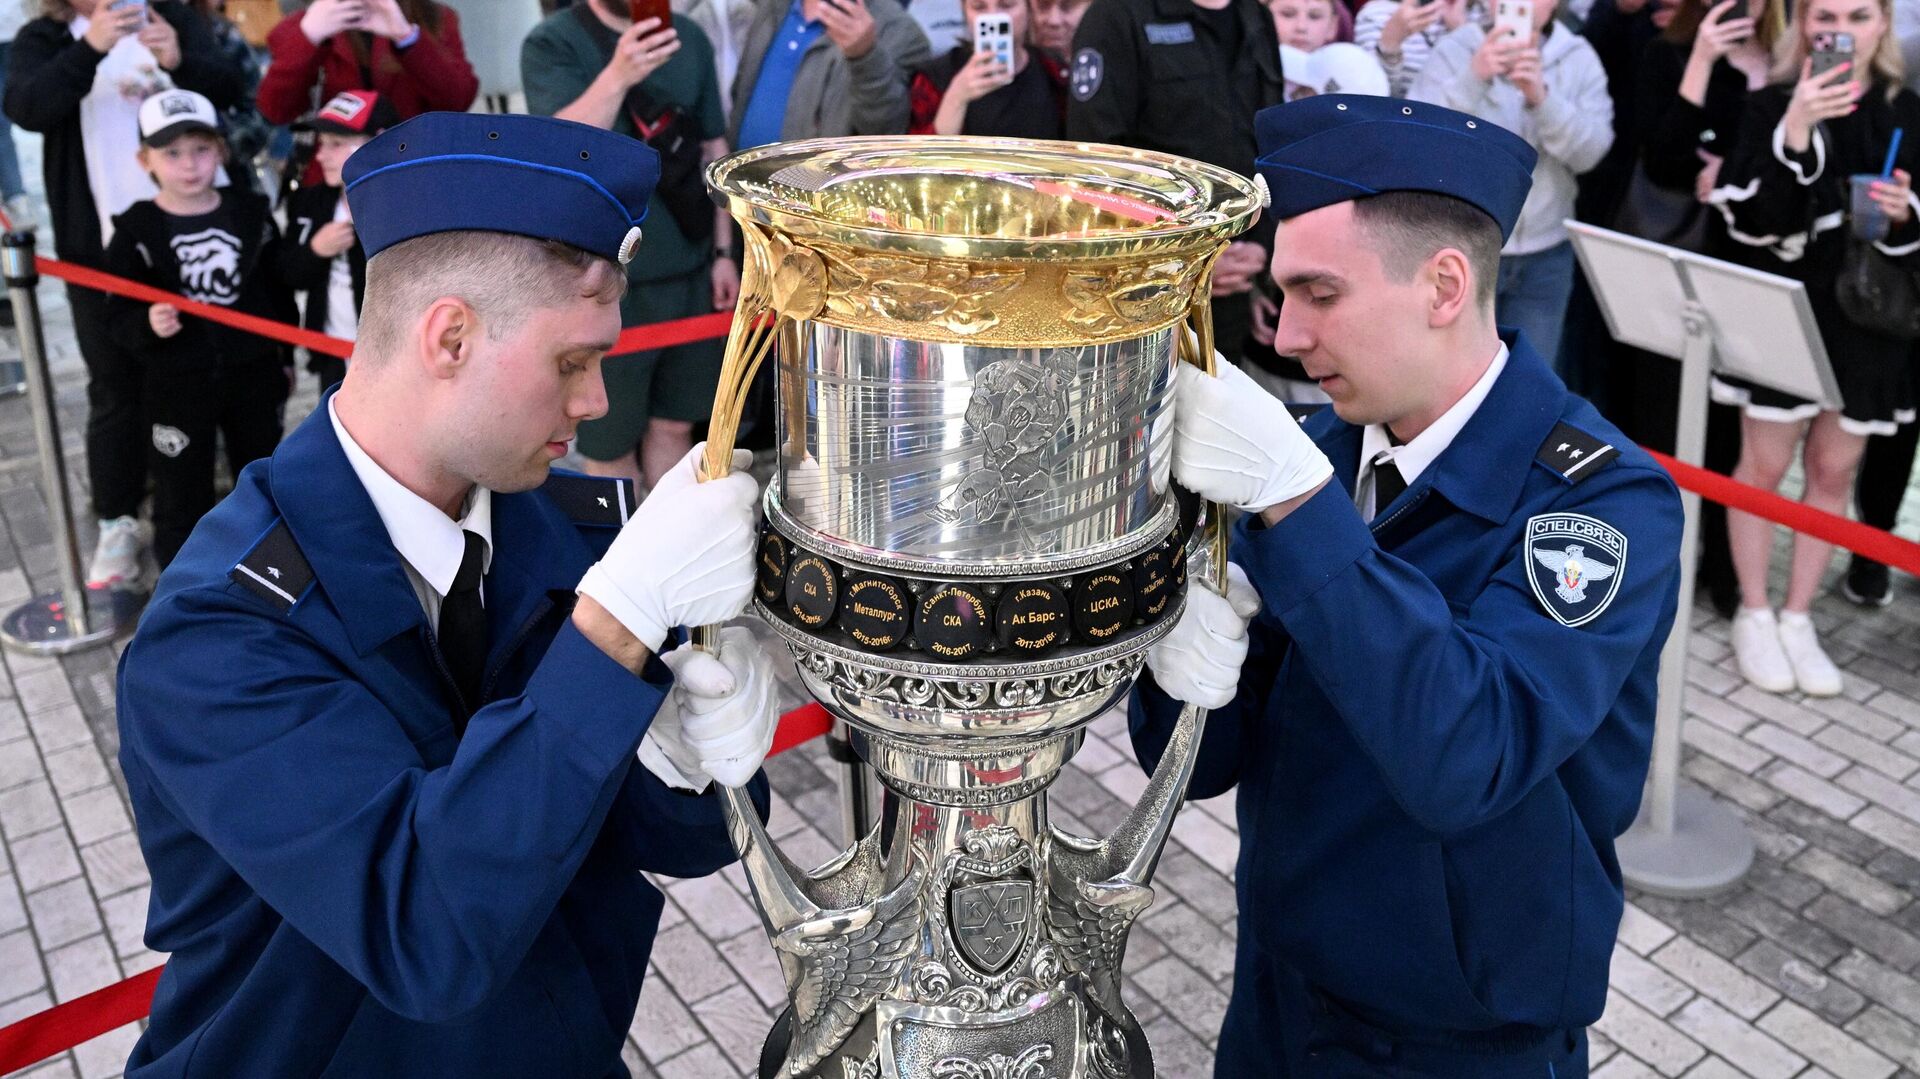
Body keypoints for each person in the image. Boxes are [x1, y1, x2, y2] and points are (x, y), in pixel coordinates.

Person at [117, 110, 780, 1077]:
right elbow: (425, 931)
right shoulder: (215, 636)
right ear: (451, 337)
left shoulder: (563, 528)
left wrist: (689, 767)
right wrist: (612, 632)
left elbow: (654, 838)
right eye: (572, 360)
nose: (597, 400)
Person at [1132, 94, 1683, 1077]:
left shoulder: (1599, 504)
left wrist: (1301, 508)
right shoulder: (1325, 447)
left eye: (1321, 293)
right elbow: (1200, 764)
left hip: (1455, 1038)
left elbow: (1471, 753)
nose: (1286, 335)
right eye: (1285, 294)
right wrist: (1178, 658)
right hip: (1279, 989)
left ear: (1443, 285)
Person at [1705, 0, 1920, 695]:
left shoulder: (1905, 110)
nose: (1840, 31)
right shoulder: (1771, 105)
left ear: (1883, 25)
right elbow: (1753, 224)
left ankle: (1798, 617)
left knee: (1833, 469)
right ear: (1803, 24)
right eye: (1826, 16)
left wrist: (1904, 215)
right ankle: (1754, 611)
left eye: (1858, 17)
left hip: (1867, 319)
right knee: (1763, 464)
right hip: (1785, 310)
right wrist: (1796, 126)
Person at [5, 0, 246, 590]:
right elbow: (27, 108)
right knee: (114, 384)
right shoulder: (46, 36)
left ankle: (228, 502)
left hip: (201, 234)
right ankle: (117, 517)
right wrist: (90, 48)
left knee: (217, 371)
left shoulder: (173, 17)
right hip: (102, 251)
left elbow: (232, 90)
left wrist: (180, 59)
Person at [523, 0, 735, 491]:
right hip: (598, 280)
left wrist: (725, 255)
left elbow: (713, 150)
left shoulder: (688, 37)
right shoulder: (552, 42)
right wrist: (618, 74)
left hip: (691, 272)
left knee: (676, 425)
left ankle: (670, 537)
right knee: (609, 442)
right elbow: (560, 146)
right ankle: (620, 540)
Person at [102, 89, 294, 569]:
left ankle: (270, 577)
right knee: (180, 492)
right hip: (175, 386)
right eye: (172, 153)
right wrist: (146, 324)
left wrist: (285, 358)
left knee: (264, 478)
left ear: (221, 152)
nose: (189, 165)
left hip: (252, 374)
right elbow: (115, 316)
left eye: (201, 149)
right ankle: (182, 587)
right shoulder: (135, 231)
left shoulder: (251, 213)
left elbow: (277, 294)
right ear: (145, 160)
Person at [1064, 0, 1284, 375]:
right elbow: (1098, 172)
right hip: (1151, 299)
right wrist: (1184, 261)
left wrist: (1261, 252)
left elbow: (1267, 145)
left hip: (1235, 286)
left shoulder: (1255, 15)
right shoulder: (1116, 17)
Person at [1409, 0, 1614, 366]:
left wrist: (1542, 99)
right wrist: (1473, 78)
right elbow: (1419, 140)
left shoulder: (1577, 56)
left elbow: (1591, 154)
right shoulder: (1456, 49)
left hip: (1546, 253)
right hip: (1463, 247)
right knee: (1453, 375)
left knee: (1530, 378)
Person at [278, 88, 396, 392]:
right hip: (332, 355)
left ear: (380, 142)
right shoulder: (310, 202)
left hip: (394, 360)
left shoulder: (407, 207)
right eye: (321, 143)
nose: (321, 155)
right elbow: (287, 274)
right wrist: (315, 250)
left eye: (336, 144)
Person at [728, 0, 930, 148]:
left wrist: (865, 56)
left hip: (816, 194)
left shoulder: (900, 32)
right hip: (739, 187)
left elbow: (886, 138)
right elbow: (740, 94)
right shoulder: (772, 6)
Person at [256, 0, 477, 127]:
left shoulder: (434, 17)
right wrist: (309, 37)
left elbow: (458, 101)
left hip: (410, 165)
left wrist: (407, 38)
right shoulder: (304, 24)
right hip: (335, 175)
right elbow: (275, 110)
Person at [909, 0, 1066, 137]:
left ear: (1028, 9)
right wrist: (956, 98)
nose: (993, 16)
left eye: (1007, 5)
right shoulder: (934, 77)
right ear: (965, 12)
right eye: (979, 7)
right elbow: (918, 154)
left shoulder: (1055, 71)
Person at [1352, 0, 1476, 96]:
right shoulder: (1375, 15)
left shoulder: (1476, 15)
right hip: (1405, 117)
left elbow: (1481, 94)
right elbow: (1374, 98)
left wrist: (1461, 31)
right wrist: (1390, 43)